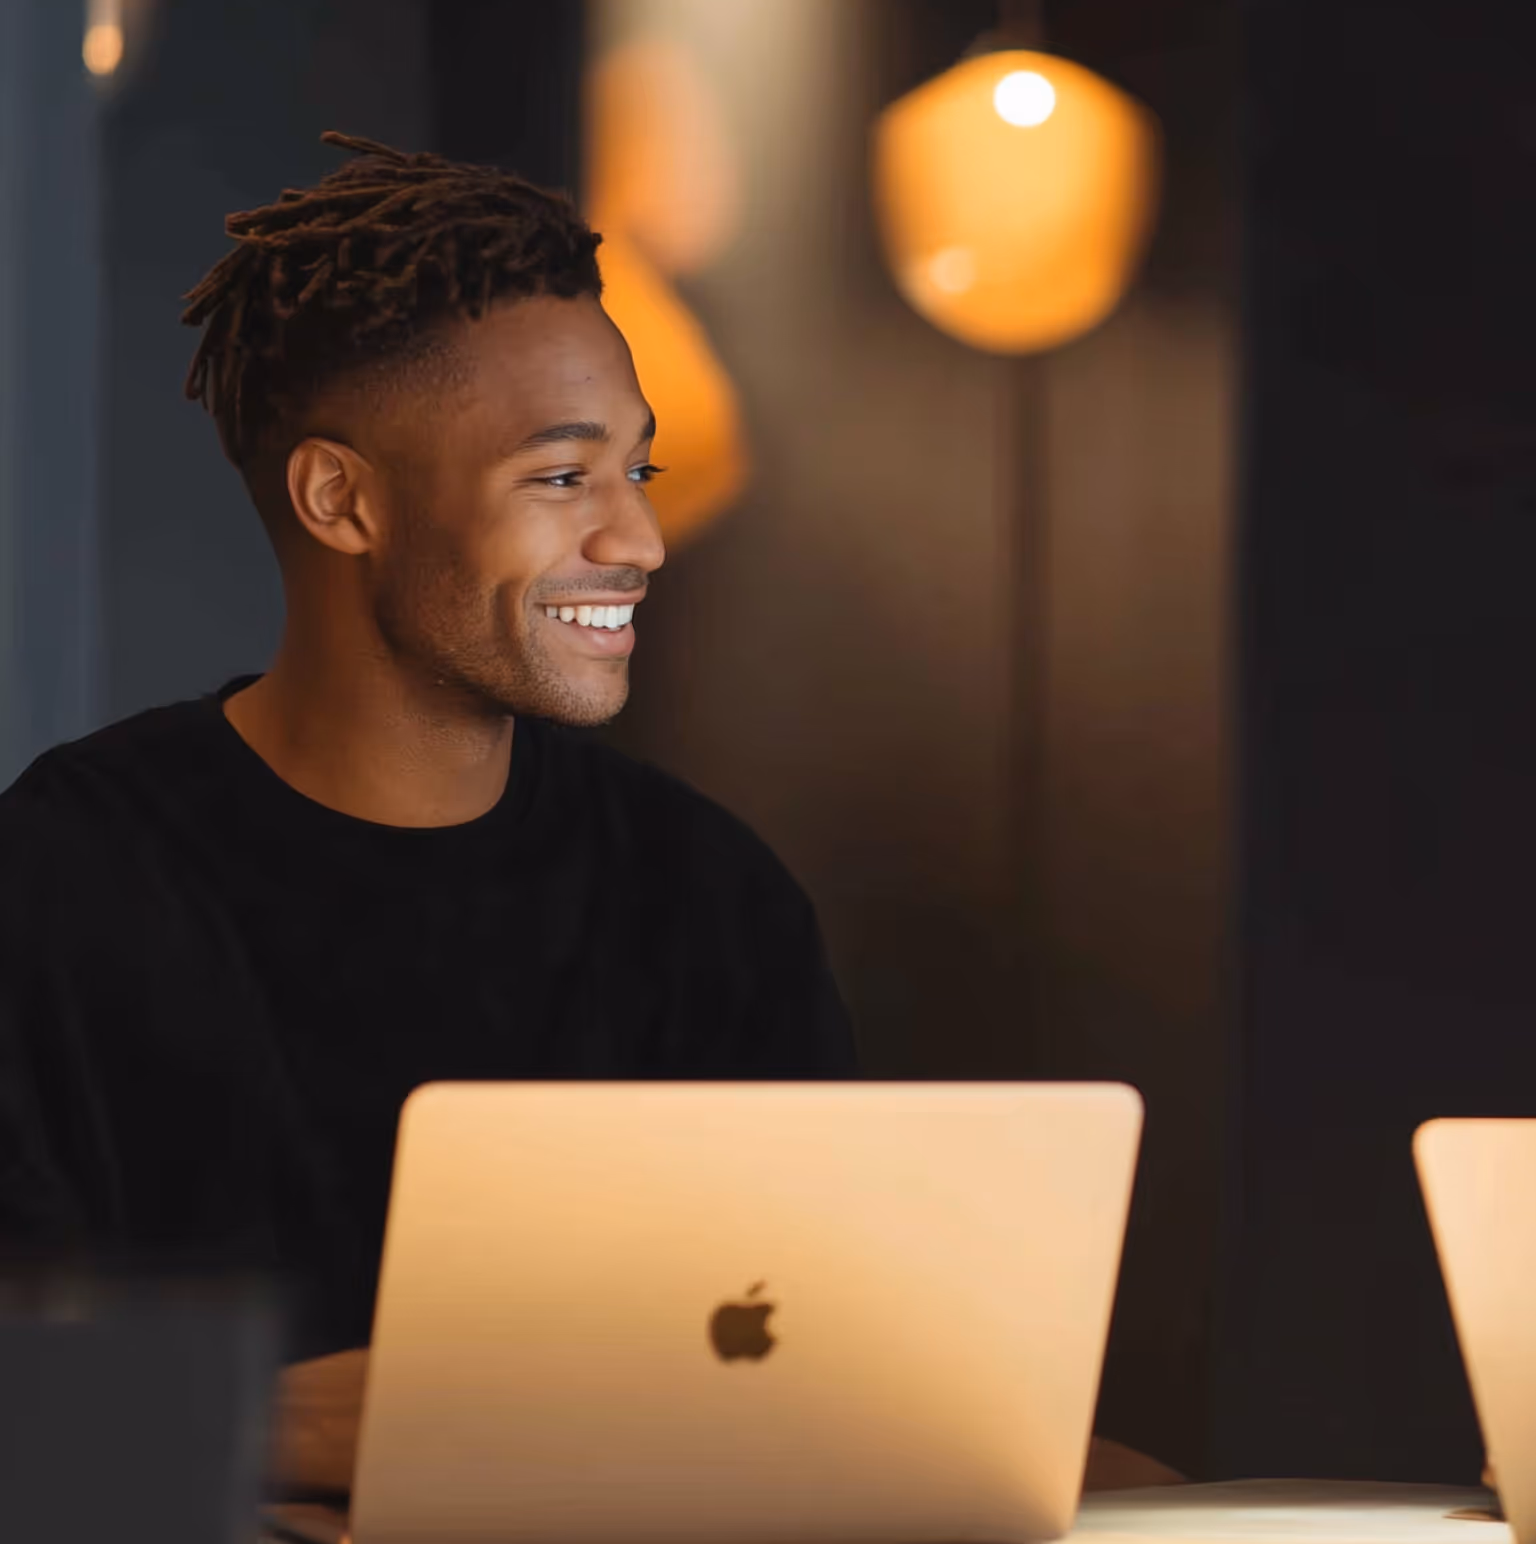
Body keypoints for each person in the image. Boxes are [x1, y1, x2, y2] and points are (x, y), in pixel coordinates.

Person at [0, 134, 1172, 1496]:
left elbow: (817, 1368)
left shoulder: (705, 893)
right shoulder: (62, 879)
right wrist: (263, 1428)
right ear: (341, 499)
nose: (638, 542)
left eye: (641, 474)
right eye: (563, 480)